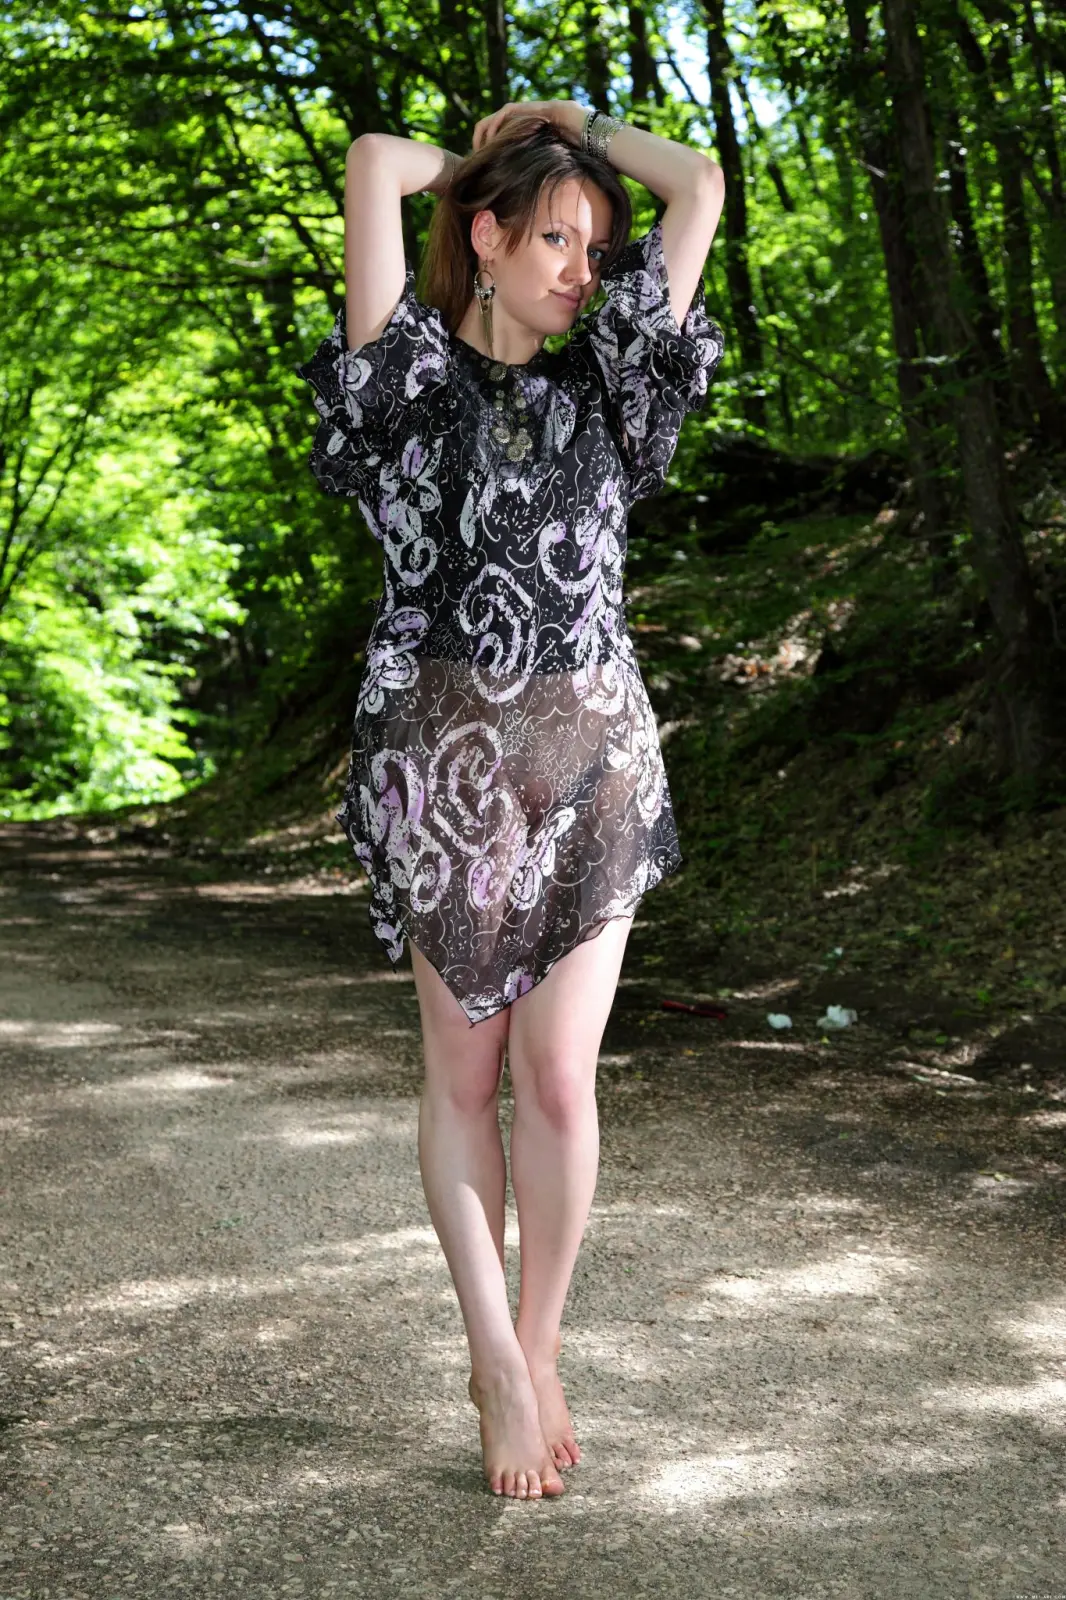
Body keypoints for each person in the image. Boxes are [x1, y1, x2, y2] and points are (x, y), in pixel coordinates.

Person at [296, 98, 725, 1501]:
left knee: (555, 1079)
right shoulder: (406, 372)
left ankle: (537, 1348)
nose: (581, 272)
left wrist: (577, 128)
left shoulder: (615, 380)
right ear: (485, 240)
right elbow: (375, 165)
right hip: (444, 769)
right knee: (465, 1078)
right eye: (553, 241)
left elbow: (699, 183)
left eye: (594, 248)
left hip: (596, 761)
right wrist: (492, 160)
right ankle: (487, 1357)